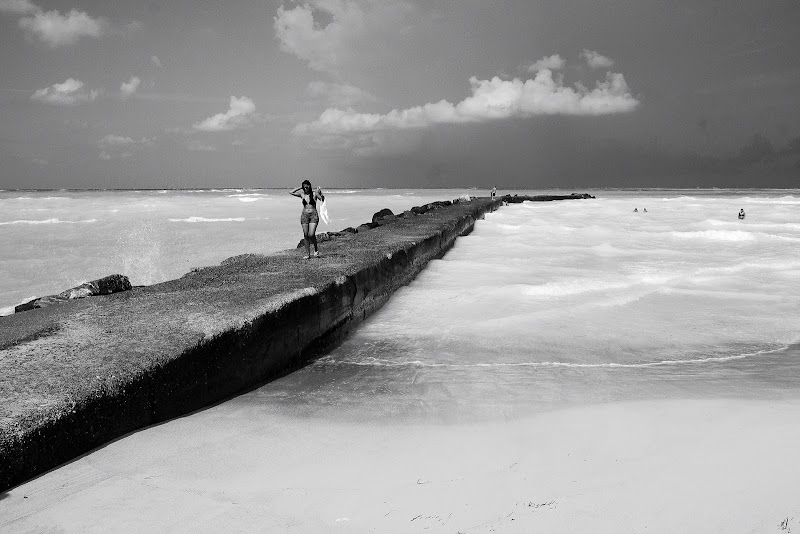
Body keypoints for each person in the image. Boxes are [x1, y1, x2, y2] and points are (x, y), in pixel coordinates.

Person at [290, 180, 325, 259]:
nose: (306, 188)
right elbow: (291, 192)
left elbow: (322, 199)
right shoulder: (302, 194)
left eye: (307, 186)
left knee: (311, 234)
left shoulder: (314, 193)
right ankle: (307, 254)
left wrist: (320, 192)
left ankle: (316, 249)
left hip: (313, 215)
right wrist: (300, 187)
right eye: (304, 187)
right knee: (306, 235)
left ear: (310, 186)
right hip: (304, 216)